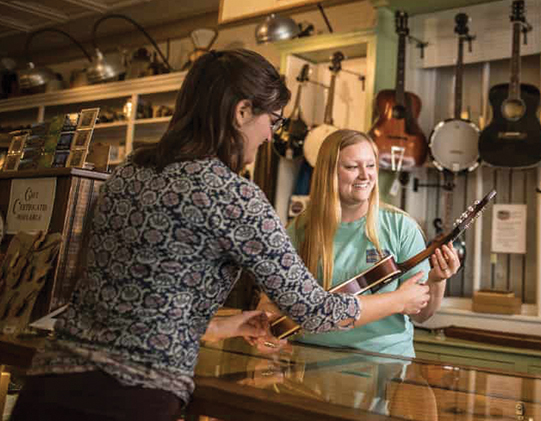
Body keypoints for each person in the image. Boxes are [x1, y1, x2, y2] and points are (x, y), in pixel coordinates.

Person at [11, 49, 430, 421]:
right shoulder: (234, 197)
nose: (270, 136)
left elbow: (132, 303)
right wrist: (402, 299)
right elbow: (313, 311)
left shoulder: (126, 175)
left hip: (50, 382)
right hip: (131, 398)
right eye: (273, 121)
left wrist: (221, 328)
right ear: (242, 112)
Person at [257, 129, 461, 358]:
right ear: (328, 173)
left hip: (385, 362)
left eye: (371, 165)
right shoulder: (300, 228)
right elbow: (270, 300)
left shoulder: (401, 227)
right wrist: (269, 324)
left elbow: (421, 315)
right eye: (353, 167)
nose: (365, 175)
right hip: (311, 360)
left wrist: (437, 280)